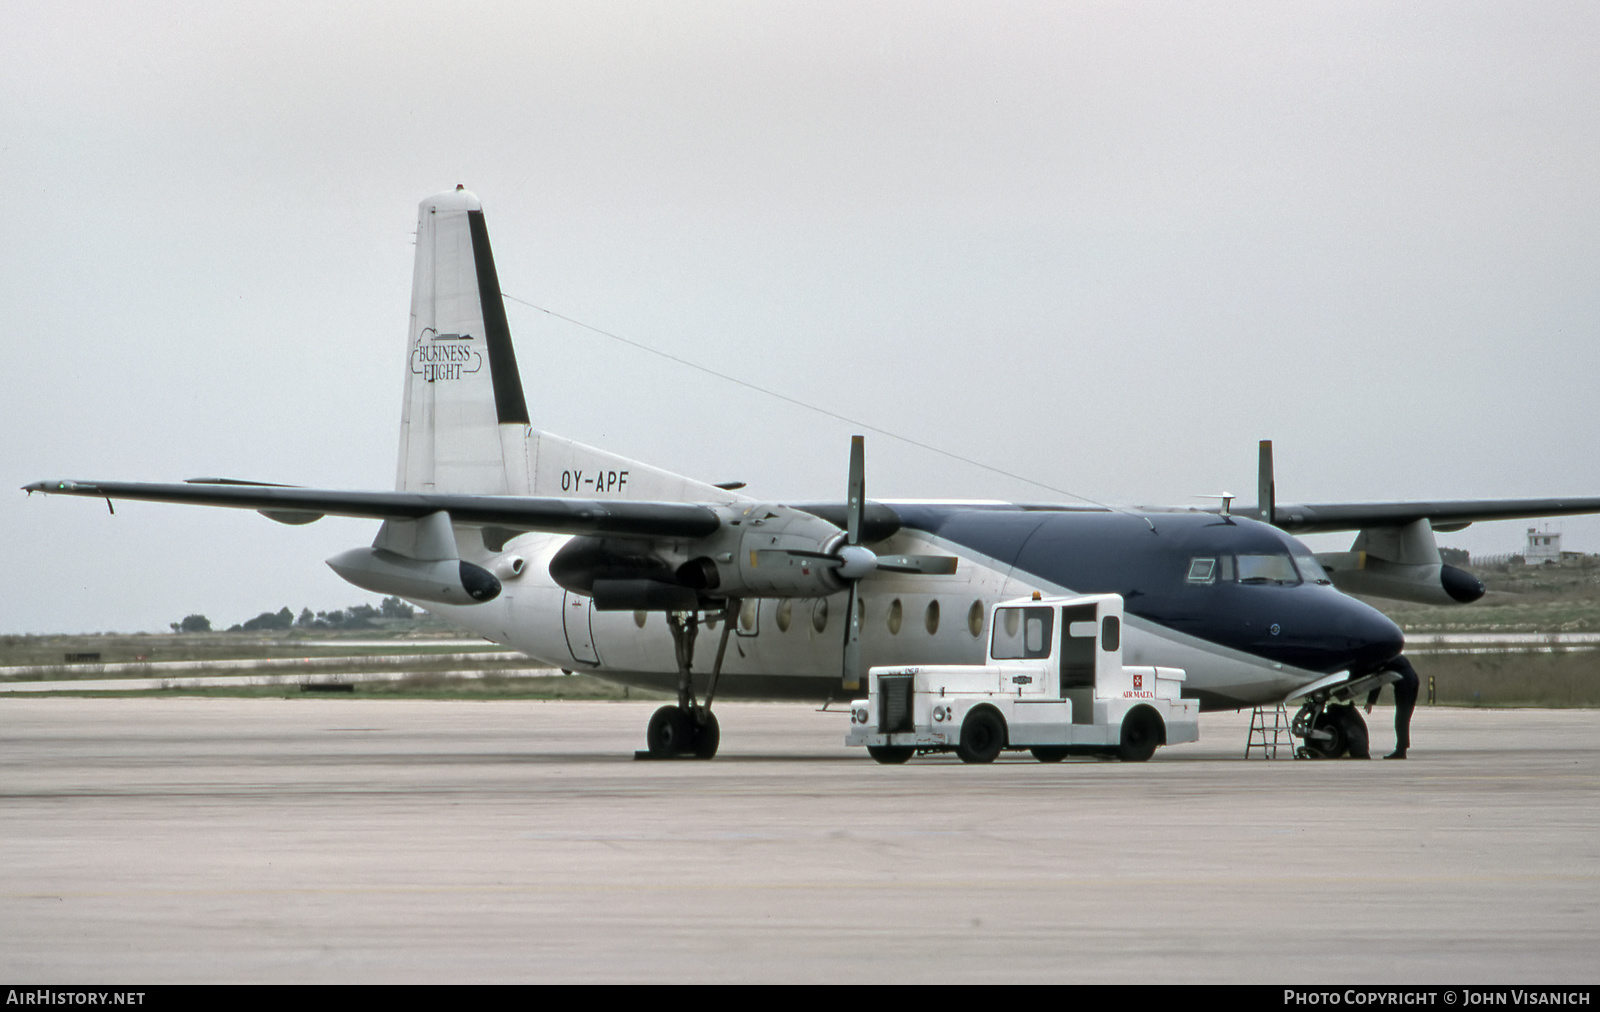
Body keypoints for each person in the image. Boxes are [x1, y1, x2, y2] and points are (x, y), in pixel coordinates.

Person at [1367, 656, 1419, 759]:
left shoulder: (1381, 658)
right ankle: (1402, 748)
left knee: (1401, 719)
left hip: (1404, 684)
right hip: (1413, 680)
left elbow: (1378, 681)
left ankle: (1401, 751)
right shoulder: (1393, 654)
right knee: (1404, 718)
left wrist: (1370, 701)